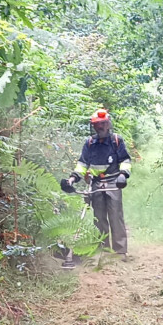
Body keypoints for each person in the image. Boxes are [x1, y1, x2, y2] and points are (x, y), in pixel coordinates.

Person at [60, 108, 132, 257]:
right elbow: (82, 164)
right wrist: (72, 179)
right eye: (97, 124)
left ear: (108, 124)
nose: (101, 127)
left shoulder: (116, 141)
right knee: (98, 218)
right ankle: (102, 249)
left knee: (115, 216)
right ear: (93, 126)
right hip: (96, 183)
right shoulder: (90, 143)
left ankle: (120, 251)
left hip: (114, 181)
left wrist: (123, 175)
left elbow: (125, 159)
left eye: (103, 124)